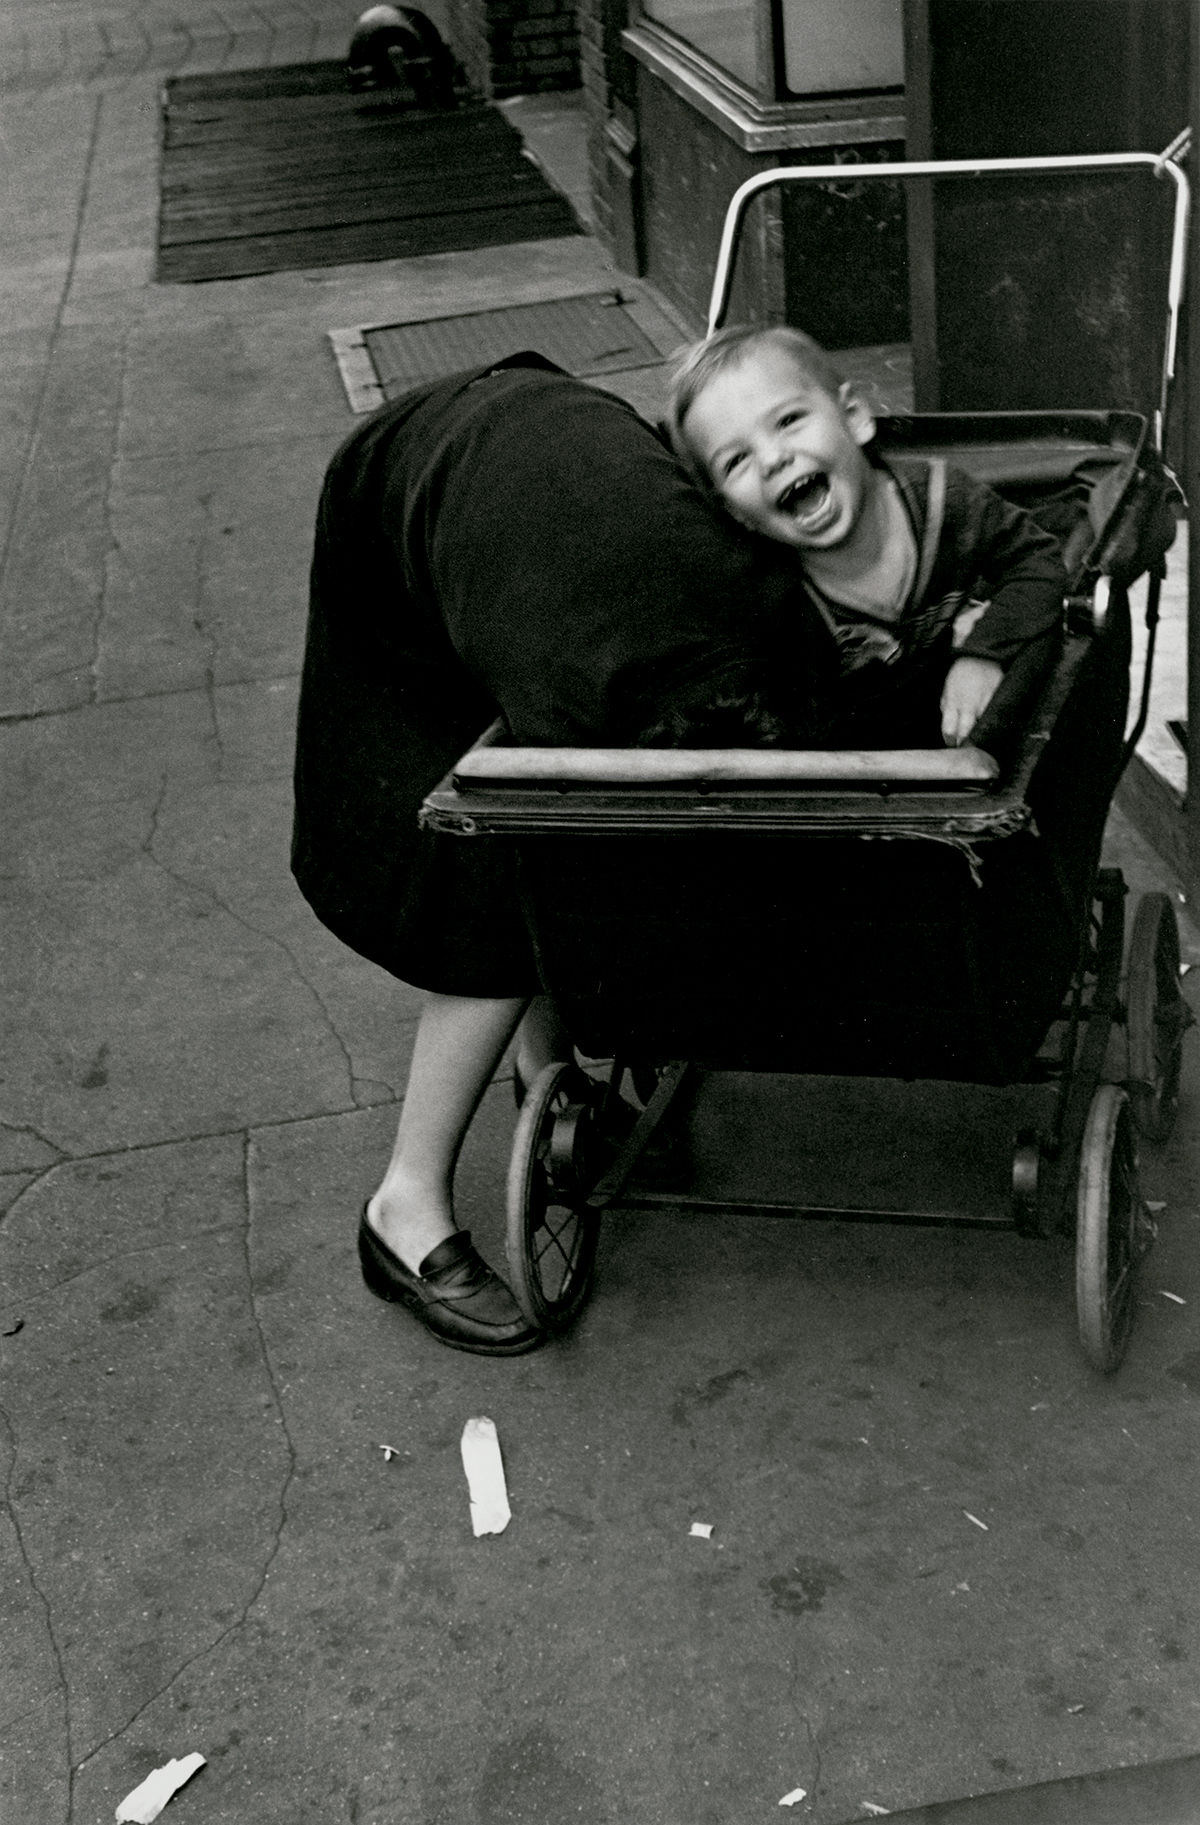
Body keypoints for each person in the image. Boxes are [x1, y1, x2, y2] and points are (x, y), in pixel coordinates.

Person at [292, 353, 798, 1356]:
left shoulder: (739, 589)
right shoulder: (580, 655)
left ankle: (544, 1076)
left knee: (543, 848)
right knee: (495, 868)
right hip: (405, 496)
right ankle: (403, 1211)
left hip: (533, 467)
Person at [665, 324, 1066, 753]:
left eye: (788, 421)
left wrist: (984, 653)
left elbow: (1038, 559)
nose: (773, 459)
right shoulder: (777, 596)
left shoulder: (944, 500)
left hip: (981, 727)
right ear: (734, 513)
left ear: (853, 417)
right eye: (737, 460)